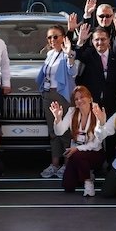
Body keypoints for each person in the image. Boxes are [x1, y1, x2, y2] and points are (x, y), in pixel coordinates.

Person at [37, 25, 78, 180]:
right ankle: (54, 164)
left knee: (66, 132)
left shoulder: (68, 53)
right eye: (49, 37)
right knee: (53, 132)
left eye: (56, 36)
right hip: (48, 95)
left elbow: (73, 72)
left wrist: (69, 56)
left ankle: (67, 165)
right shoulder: (49, 54)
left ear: (63, 37)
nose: (52, 40)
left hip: (63, 96)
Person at [50, 86, 105, 197]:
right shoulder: (72, 112)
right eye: (76, 99)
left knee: (77, 155)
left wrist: (101, 121)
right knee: (68, 186)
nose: (79, 100)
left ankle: (88, 183)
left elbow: (97, 142)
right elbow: (59, 132)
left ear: (90, 99)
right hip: (76, 154)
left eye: (82, 97)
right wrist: (57, 118)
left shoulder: (98, 112)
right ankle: (85, 173)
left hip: (95, 153)